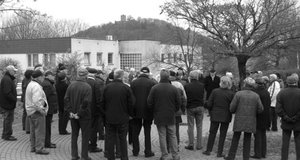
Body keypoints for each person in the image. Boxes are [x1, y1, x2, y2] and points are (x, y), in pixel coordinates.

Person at [225, 77, 263, 160]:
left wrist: (235, 111)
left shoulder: (238, 94)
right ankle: (246, 157)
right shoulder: (256, 96)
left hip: (239, 119)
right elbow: (260, 109)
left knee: (235, 138)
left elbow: (232, 108)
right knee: (247, 139)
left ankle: (231, 156)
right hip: (251, 120)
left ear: (245, 84)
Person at [101, 69, 135, 160]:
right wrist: (130, 114)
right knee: (123, 139)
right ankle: (124, 157)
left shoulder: (106, 88)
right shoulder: (126, 88)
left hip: (109, 118)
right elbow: (131, 103)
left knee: (110, 139)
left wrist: (105, 114)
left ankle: (110, 157)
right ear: (122, 77)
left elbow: (101, 103)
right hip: (123, 118)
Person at [147, 69, 181, 160]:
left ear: (160, 77)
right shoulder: (173, 88)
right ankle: (175, 155)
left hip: (159, 114)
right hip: (170, 114)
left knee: (162, 135)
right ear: (168, 76)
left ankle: (165, 155)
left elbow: (149, 102)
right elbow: (178, 102)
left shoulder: (155, 88)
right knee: (172, 135)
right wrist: (174, 110)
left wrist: (155, 111)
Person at [64, 67, 92, 160]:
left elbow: (66, 99)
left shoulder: (71, 85)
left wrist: (71, 112)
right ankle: (84, 156)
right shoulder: (87, 87)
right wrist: (78, 114)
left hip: (73, 115)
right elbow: (86, 102)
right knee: (85, 136)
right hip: (84, 116)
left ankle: (74, 155)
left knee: (74, 135)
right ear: (86, 75)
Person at [203, 76, 234, 157]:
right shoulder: (231, 93)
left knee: (212, 133)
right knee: (223, 134)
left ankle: (208, 150)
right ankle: (219, 152)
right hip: (226, 115)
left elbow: (209, 104)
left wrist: (208, 106)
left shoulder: (215, 91)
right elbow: (232, 107)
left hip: (215, 114)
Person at [130, 67, 157, 157]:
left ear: (140, 73)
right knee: (147, 131)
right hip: (148, 110)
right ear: (148, 74)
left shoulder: (133, 83)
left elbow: (131, 98)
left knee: (135, 131)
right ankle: (148, 151)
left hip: (136, 110)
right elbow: (153, 98)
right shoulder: (152, 83)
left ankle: (135, 151)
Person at [276, 75, 300, 160]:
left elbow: (278, 109)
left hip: (286, 122)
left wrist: (286, 117)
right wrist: (295, 117)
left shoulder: (281, 93)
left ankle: (284, 158)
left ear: (287, 82)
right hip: (298, 122)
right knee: (299, 143)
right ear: (296, 82)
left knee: (285, 143)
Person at [25, 69, 49, 155]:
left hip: (30, 111)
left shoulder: (30, 84)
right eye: (42, 76)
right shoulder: (36, 86)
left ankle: (33, 147)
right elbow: (36, 101)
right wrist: (42, 110)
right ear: (38, 77)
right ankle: (39, 148)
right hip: (36, 112)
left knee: (33, 131)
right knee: (40, 131)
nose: (43, 78)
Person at [184, 70, 205, 151]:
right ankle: (199, 145)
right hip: (200, 106)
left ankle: (191, 144)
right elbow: (204, 96)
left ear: (190, 77)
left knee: (190, 126)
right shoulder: (202, 85)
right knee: (199, 126)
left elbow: (185, 97)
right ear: (197, 77)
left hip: (190, 107)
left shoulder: (187, 86)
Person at [252, 78, 271, 159]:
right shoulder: (266, 92)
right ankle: (263, 153)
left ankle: (258, 154)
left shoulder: (256, 93)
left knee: (258, 135)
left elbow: (256, 106)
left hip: (258, 116)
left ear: (257, 84)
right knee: (263, 135)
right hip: (266, 116)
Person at [86, 68, 103, 153]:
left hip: (85, 110)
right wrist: (100, 110)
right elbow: (98, 98)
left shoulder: (84, 82)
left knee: (86, 128)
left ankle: (86, 145)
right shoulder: (95, 84)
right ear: (95, 74)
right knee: (93, 129)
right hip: (94, 111)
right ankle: (93, 146)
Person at [0, 65, 18, 141]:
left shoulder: (7, 79)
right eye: (14, 71)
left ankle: (5, 134)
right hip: (7, 104)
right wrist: (14, 99)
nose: (15, 73)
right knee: (8, 120)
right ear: (10, 71)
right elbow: (7, 92)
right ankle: (7, 135)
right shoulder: (7, 79)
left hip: (7, 103)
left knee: (7, 120)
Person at [169, 70, 186, 146]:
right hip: (177, 111)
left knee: (167, 129)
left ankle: (168, 144)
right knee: (176, 129)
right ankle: (177, 144)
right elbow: (184, 98)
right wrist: (182, 109)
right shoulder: (179, 85)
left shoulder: (163, 84)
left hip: (167, 110)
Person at [41, 70, 58, 148]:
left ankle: (47, 142)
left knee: (47, 126)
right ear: (47, 76)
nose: (53, 77)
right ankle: (47, 143)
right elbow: (45, 98)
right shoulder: (47, 85)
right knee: (47, 126)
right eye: (52, 75)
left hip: (49, 109)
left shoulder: (48, 83)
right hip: (48, 109)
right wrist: (45, 109)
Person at [21, 69, 34, 133]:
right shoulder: (30, 81)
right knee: (28, 113)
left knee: (25, 113)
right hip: (28, 98)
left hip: (24, 98)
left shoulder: (24, 80)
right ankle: (27, 127)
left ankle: (24, 126)